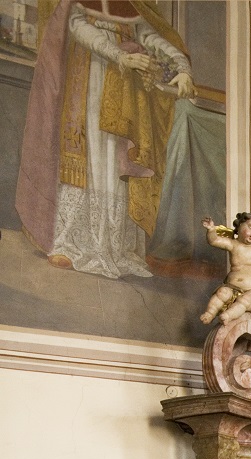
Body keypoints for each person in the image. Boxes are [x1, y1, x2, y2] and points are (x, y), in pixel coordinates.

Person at [16, 0, 195, 279]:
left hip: (127, 88)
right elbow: (77, 27)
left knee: (117, 161)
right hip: (89, 78)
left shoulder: (133, 3)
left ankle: (118, 249)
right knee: (90, 157)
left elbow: (148, 34)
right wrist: (118, 55)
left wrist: (181, 66)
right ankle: (69, 242)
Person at [199, 213, 251, 325]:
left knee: (244, 301)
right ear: (240, 225)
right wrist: (211, 229)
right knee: (221, 293)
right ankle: (209, 314)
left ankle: (227, 316)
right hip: (231, 288)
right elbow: (214, 241)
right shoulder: (233, 244)